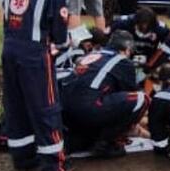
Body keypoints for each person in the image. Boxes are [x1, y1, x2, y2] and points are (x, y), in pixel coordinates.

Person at [1, 0, 70, 171]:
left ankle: (22, 157)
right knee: (45, 106)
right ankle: (53, 164)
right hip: (34, 56)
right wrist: (63, 44)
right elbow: (59, 35)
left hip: (8, 51)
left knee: (15, 104)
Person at [59, 29, 147, 158]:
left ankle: (87, 137)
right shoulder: (123, 62)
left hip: (65, 110)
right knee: (141, 99)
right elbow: (128, 99)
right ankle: (108, 142)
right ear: (127, 49)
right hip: (88, 108)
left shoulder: (92, 54)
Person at [109, 6, 170, 73]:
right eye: (141, 26)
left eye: (147, 26)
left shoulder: (162, 29)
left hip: (148, 61)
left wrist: (153, 63)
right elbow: (106, 39)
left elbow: (169, 47)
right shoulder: (123, 23)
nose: (144, 28)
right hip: (123, 60)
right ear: (136, 22)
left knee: (167, 67)